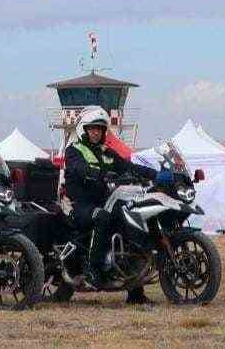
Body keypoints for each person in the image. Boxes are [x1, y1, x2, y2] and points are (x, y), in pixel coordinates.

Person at [64, 106, 157, 304]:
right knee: (102, 217)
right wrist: (101, 174)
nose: (96, 132)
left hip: (105, 202)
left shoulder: (107, 152)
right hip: (80, 206)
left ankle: (135, 292)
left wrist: (157, 175)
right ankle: (92, 270)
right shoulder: (73, 151)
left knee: (129, 221)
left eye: (99, 129)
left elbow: (128, 166)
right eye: (92, 128)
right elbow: (80, 169)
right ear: (84, 129)